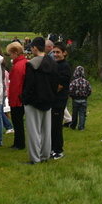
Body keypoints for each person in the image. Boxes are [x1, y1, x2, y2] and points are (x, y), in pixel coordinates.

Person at [21, 36, 58, 165]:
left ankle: (34, 158)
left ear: (35, 48)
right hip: (48, 100)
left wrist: (25, 98)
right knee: (46, 130)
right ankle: (45, 155)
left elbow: (29, 85)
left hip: (34, 101)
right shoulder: (53, 63)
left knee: (33, 131)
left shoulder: (32, 64)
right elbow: (55, 83)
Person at [51, 42, 72, 160]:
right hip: (53, 100)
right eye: (54, 52)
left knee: (57, 126)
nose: (55, 54)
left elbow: (60, 85)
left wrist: (50, 93)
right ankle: (52, 148)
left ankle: (58, 150)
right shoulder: (55, 64)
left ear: (64, 53)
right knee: (52, 125)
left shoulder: (65, 66)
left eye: (58, 52)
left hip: (59, 100)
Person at [6, 41, 27, 150]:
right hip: (20, 97)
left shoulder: (18, 66)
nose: (10, 56)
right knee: (18, 121)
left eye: (10, 54)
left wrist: (14, 100)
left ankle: (19, 144)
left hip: (17, 98)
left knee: (17, 121)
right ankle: (18, 142)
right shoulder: (24, 63)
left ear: (15, 53)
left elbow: (16, 84)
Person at [68, 66, 92, 130]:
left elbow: (70, 90)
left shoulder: (73, 82)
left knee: (74, 113)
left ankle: (73, 125)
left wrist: (72, 96)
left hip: (75, 99)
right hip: (84, 99)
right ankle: (81, 127)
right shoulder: (86, 82)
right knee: (82, 113)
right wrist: (86, 95)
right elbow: (89, 90)